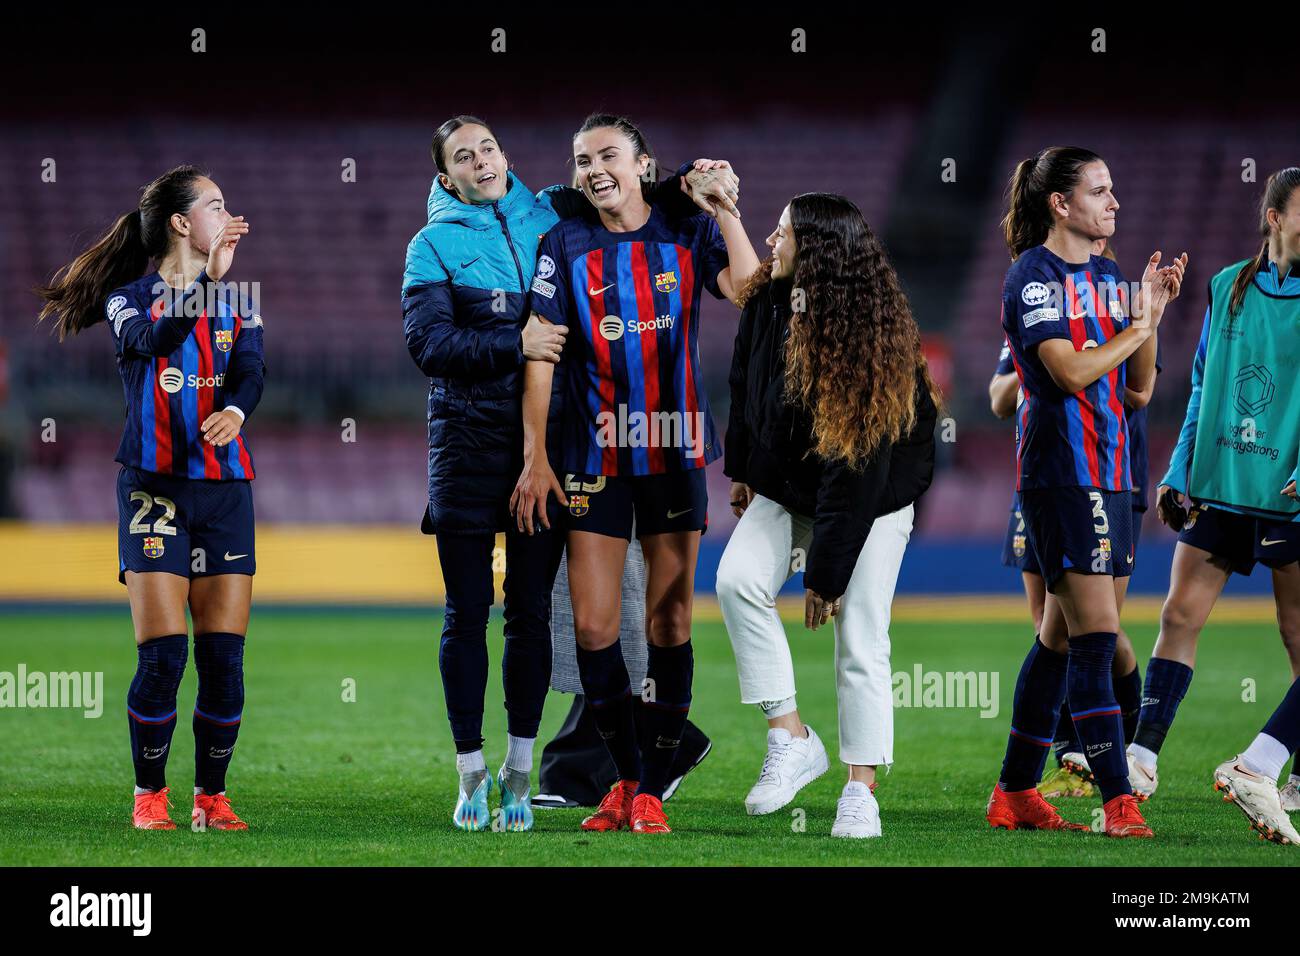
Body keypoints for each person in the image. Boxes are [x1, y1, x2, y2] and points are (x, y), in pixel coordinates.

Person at [402, 114, 738, 831]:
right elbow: (432, 343)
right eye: (464, 156)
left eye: (489, 147)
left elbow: (636, 186)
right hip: (495, 448)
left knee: (598, 619)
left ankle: (575, 775)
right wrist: (516, 349)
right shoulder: (441, 244)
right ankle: (498, 774)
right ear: (446, 176)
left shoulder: (549, 208)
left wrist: (699, 180)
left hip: (617, 448)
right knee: (516, 619)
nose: (482, 161)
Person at [512, 112, 760, 834]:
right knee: (594, 627)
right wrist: (535, 456)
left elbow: (747, 291)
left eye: (608, 155)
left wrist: (727, 210)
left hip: (675, 449)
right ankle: (623, 780)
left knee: (671, 619)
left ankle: (650, 786)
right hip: (594, 457)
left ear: (644, 164)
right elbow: (541, 353)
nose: (592, 169)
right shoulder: (563, 242)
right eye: (582, 158)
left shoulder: (688, 231)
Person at [36, 165, 263, 831]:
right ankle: (150, 796)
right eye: (215, 205)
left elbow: (251, 370)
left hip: (225, 491)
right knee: (164, 656)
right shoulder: (128, 298)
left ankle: (211, 798)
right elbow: (150, 341)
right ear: (180, 222)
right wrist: (203, 285)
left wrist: (239, 415)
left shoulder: (240, 297)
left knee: (224, 660)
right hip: (153, 488)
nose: (228, 215)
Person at [716, 194, 938, 838]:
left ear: (815, 251)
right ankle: (791, 735)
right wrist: (745, 472)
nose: (771, 238)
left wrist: (826, 575)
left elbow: (857, 473)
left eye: (781, 231)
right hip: (791, 485)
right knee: (737, 581)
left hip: (873, 498)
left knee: (861, 637)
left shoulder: (871, 337)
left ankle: (860, 789)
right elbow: (742, 386)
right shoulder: (767, 300)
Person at [985, 146, 1184, 838]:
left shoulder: (1108, 275)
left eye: (1114, 189)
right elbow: (1066, 375)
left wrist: (1148, 315)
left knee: (1062, 637)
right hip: (1060, 477)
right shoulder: (1032, 277)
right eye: (1100, 191)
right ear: (1060, 204)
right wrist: (1135, 328)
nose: (1114, 202)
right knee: (1097, 637)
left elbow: (1140, 389)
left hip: (1116, 474)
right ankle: (1118, 800)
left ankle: (1013, 791)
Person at [1132, 167, 1300, 843]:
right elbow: (1203, 382)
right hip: (1225, 483)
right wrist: (1177, 471)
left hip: (1289, 494)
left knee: (1296, 637)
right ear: (1274, 216)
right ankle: (1141, 759)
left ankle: (1283, 771)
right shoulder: (1227, 284)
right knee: (1178, 614)